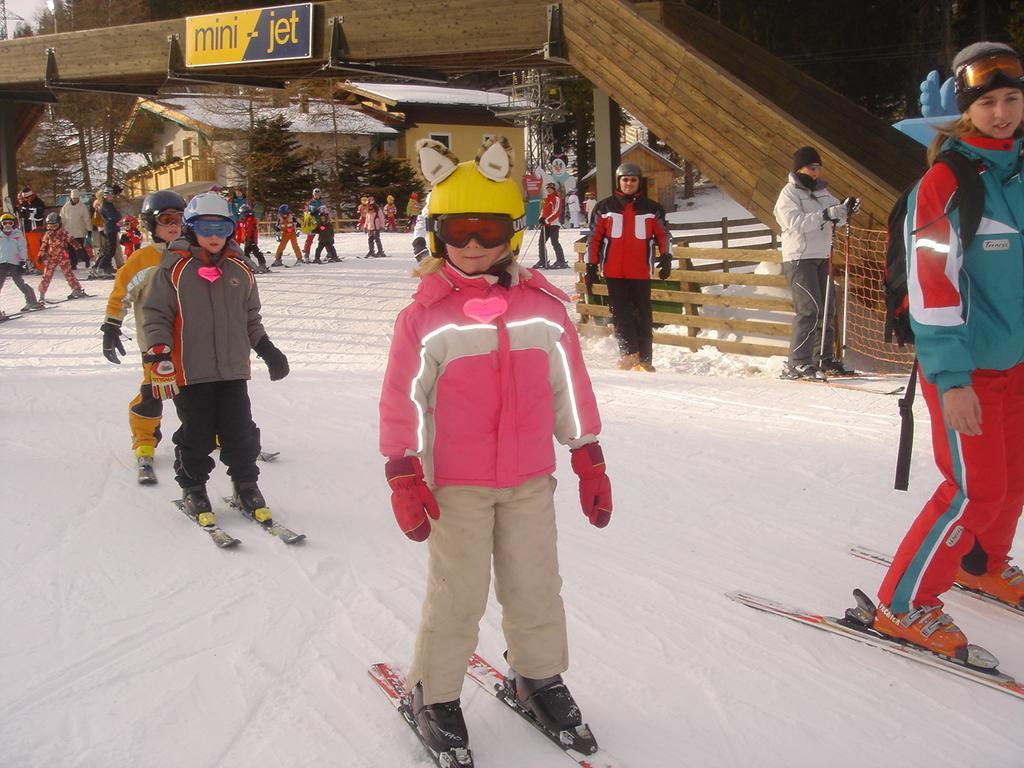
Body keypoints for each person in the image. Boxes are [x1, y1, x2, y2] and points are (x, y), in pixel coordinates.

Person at [379, 136, 611, 760]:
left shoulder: (543, 309)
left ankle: (537, 675)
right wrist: (404, 471)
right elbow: (403, 399)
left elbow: (570, 385)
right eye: (459, 230)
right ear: (437, 233)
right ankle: (433, 691)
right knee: (459, 591)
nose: (474, 245)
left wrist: (587, 453)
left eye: (489, 229)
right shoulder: (424, 317)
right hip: (455, 483)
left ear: (512, 232)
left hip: (530, 477)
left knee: (537, 584)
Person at [872, 42, 1024, 664]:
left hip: (1015, 363)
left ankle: (982, 562)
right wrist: (952, 376)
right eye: (987, 102)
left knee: (1011, 483)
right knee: (973, 490)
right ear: (966, 111)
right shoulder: (947, 183)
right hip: (965, 368)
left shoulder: (1019, 171)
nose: (1002, 112)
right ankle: (903, 603)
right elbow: (934, 288)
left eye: (1012, 98)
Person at [142, 191, 289, 526]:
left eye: (221, 228)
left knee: (241, 431)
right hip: (191, 371)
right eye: (205, 227)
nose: (213, 235)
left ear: (230, 231)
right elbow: (156, 314)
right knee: (198, 433)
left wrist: (266, 348)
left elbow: (250, 317)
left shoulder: (240, 269)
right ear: (191, 228)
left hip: (233, 369)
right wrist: (159, 351)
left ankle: (245, 484)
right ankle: (193, 487)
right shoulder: (174, 268)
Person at [100, 190, 188, 482]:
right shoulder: (142, 259)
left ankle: (211, 432)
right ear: (152, 224)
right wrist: (111, 327)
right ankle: (145, 439)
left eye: (179, 219)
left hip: (192, 341)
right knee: (153, 392)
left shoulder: (193, 253)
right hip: (156, 344)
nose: (174, 226)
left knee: (199, 390)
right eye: (166, 220)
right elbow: (121, 295)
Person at [773, 146, 860, 380]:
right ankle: (798, 362)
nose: (815, 172)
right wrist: (825, 215)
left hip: (822, 255)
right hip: (800, 258)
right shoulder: (789, 194)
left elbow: (835, 218)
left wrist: (845, 210)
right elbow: (794, 223)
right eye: (811, 168)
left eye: (818, 168)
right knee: (809, 309)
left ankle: (823, 358)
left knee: (828, 308)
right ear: (799, 168)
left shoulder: (822, 192)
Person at [585, 162, 671, 372]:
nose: (629, 183)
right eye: (625, 179)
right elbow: (594, 239)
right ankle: (629, 355)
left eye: (633, 180)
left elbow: (663, 235)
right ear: (619, 181)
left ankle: (645, 359)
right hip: (614, 272)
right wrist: (591, 266)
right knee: (621, 315)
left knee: (643, 314)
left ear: (638, 182)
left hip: (640, 271)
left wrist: (667, 256)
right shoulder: (605, 208)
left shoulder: (651, 209)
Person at [36, 212, 87, 303]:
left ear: (59, 224)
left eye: (55, 226)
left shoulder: (63, 232)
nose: (52, 228)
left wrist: (79, 249)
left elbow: (72, 240)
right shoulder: (48, 234)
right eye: (50, 226)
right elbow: (44, 244)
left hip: (63, 256)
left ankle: (77, 289)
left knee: (68, 273)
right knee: (47, 275)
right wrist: (41, 254)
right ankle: (41, 294)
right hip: (52, 257)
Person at [0, 211, 42, 312]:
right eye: (5, 223)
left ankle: (32, 301)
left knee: (19, 282)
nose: (7, 225)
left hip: (15, 262)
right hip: (2, 262)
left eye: (10, 223)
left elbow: (22, 248)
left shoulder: (17, 234)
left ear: (14, 223)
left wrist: (23, 261)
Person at [90, 186, 122, 278]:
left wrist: (117, 215)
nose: (112, 197)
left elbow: (116, 214)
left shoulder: (108, 204)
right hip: (109, 228)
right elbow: (113, 216)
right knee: (110, 250)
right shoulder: (105, 205)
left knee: (108, 250)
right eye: (110, 195)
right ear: (106, 196)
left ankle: (98, 267)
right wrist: (117, 216)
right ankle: (101, 268)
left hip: (111, 228)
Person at [533, 182, 567, 269]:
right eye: (548, 188)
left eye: (551, 188)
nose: (549, 190)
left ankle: (561, 261)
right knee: (541, 242)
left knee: (554, 242)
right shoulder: (546, 199)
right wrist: (541, 219)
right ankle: (543, 260)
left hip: (554, 224)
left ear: (554, 189)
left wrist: (547, 220)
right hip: (546, 225)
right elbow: (543, 210)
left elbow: (556, 211)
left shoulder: (556, 198)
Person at [60, 190, 93, 269]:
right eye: (74, 198)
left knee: (80, 248)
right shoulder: (66, 207)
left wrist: (89, 229)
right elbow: (62, 218)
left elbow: (87, 219)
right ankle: (73, 264)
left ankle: (86, 259)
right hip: (69, 231)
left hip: (79, 232)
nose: (76, 200)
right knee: (70, 249)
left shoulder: (82, 207)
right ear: (71, 198)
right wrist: (61, 228)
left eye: (77, 198)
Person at [17, 187, 45, 272]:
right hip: (26, 229)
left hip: (35, 230)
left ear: (31, 196)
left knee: (35, 248)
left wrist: (28, 215)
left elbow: (39, 217)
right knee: (27, 249)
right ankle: (33, 265)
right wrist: (19, 211)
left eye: (26, 197)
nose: (25, 200)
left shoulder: (39, 203)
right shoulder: (25, 203)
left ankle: (41, 267)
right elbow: (21, 210)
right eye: (24, 198)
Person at [236, 204, 269, 273]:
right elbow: (244, 231)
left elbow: (249, 230)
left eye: (242, 214)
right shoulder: (245, 220)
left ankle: (262, 265)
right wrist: (243, 239)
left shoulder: (250, 220)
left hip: (251, 240)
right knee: (246, 254)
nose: (241, 216)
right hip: (248, 240)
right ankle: (248, 266)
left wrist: (248, 238)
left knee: (256, 252)